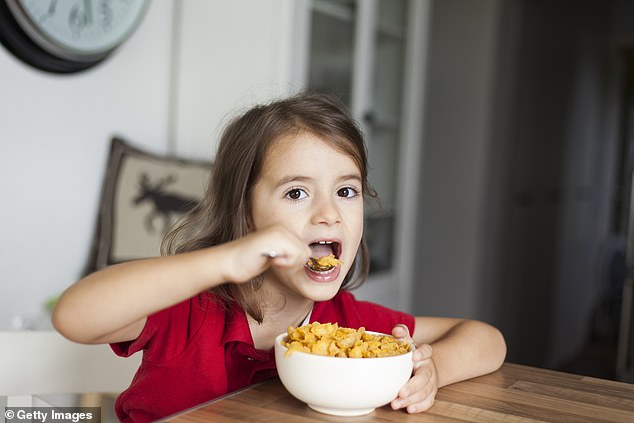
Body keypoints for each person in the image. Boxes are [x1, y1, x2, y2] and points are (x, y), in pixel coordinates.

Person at [53, 92, 506, 422]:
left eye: (346, 191)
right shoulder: (190, 310)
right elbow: (74, 316)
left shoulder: (349, 330)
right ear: (244, 213)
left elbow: (487, 340)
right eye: (296, 193)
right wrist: (223, 261)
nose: (328, 214)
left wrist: (433, 370)